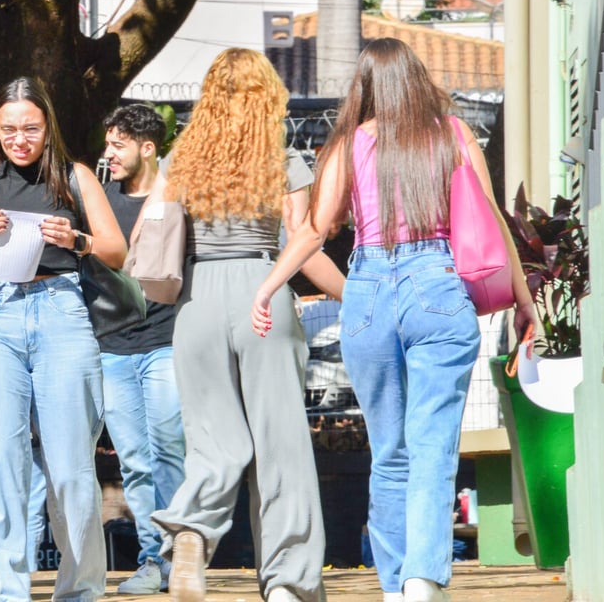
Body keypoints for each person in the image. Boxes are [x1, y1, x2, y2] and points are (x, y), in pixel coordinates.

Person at [249, 38, 536, 602]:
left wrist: (267, 286)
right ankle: (422, 577)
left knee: (389, 451)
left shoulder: (348, 144)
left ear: (364, 86)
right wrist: (523, 299)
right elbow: (493, 220)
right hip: (437, 285)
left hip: (369, 291)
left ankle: (393, 585)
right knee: (432, 445)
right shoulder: (452, 133)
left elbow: (313, 231)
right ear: (416, 78)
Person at [148, 49, 342, 602]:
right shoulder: (283, 161)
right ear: (268, 97)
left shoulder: (179, 162)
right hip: (264, 292)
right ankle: (288, 583)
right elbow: (304, 245)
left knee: (212, 438)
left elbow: (153, 234)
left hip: (196, 301)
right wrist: (353, 295)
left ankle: (191, 529)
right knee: (281, 444)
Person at [0, 76, 127, 602]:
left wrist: (76, 239)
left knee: (72, 465)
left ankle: (80, 590)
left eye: (30, 128)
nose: (19, 139)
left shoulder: (76, 177)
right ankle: (8, 591)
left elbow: (117, 251)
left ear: (47, 126)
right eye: (8, 129)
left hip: (62, 310)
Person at [95, 104, 186, 594]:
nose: (108, 153)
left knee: (170, 448)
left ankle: (178, 555)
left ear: (147, 148)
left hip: (165, 341)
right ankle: (153, 558)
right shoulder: (100, 199)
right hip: (113, 346)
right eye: (108, 143)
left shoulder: (177, 195)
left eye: (119, 144)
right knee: (133, 459)